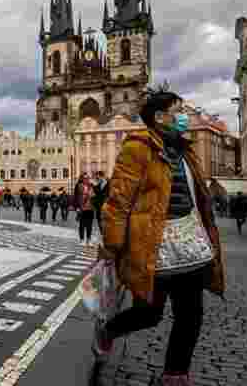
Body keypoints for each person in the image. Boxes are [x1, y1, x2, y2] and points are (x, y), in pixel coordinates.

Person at [93, 90, 225, 385]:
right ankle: (109, 330)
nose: (184, 116)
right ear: (160, 117)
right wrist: (112, 246)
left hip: (190, 243)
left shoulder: (186, 150)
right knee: (149, 313)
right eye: (178, 111)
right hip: (152, 243)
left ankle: (175, 374)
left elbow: (198, 195)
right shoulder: (137, 149)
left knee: (191, 314)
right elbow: (118, 201)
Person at [75, 174, 95, 246]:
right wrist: (77, 207)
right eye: (85, 178)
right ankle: (82, 239)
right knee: (82, 225)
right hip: (82, 208)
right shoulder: (79, 186)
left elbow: (95, 196)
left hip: (90, 208)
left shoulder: (92, 186)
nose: (86, 179)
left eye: (88, 178)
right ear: (82, 179)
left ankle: (89, 240)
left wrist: (92, 195)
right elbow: (76, 197)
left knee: (89, 225)